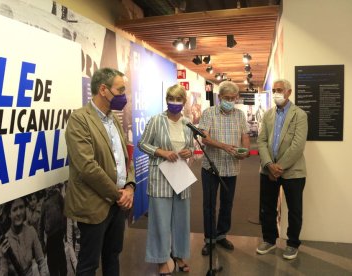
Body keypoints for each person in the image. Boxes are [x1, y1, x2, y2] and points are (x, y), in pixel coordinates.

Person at [64, 67, 136, 276]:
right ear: (103, 90)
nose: (124, 96)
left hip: (118, 203)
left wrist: (130, 186)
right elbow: (87, 167)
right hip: (94, 204)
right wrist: (118, 194)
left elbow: (124, 157)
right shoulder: (79, 119)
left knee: (112, 257)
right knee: (88, 265)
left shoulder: (113, 118)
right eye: (120, 90)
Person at [138, 84, 194, 276]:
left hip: (180, 174)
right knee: (160, 220)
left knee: (181, 220)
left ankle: (179, 255)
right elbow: (142, 143)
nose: (175, 102)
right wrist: (161, 152)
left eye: (179, 99)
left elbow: (191, 148)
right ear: (166, 100)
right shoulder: (156, 120)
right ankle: (160, 259)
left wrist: (190, 151)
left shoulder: (188, 123)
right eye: (171, 98)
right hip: (160, 175)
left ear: (184, 102)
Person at [256, 79, 308, 260]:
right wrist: (269, 165)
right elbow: (261, 141)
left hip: (293, 171)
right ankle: (269, 240)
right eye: (274, 90)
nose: (277, 93)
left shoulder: (299, 115)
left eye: (280, 90)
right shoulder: (268, 114)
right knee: (267, 207)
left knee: (294, 209)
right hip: (268, 170)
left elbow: (298, 146)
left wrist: (280, 167)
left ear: (289, 92)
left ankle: (293, 243)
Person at [198, 81, 250, 255]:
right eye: (226, 98)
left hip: (232, 167)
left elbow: (245, 136)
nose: (230, 101)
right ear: (219, 97)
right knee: (209, 205)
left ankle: (221, 235)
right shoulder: (209, 113)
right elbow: (204, 138)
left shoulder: (240, 115)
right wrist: (224, 146)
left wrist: (245, 150)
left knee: (227, 204)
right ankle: (210, 239)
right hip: (211, 167)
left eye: (233, 98)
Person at [0, 198, 48, 275]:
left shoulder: (31, 231)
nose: (19, 213)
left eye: (21, 207)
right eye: (14, 209)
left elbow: (41, 262)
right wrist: (4, 259)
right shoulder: (3, 243)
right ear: (9, 214)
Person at [39, 185, 67, 276]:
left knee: (62, 260)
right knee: (52, 263)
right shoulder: (44, 203)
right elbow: (40, 225)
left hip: (59, 234)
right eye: (47, 187)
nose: (49, 188)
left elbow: (64, 211)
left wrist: (65, 228)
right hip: (50, 237)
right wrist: (42, 242)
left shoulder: (58, 196)